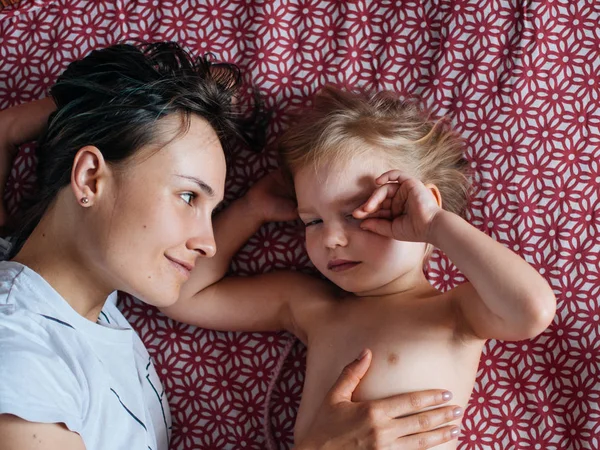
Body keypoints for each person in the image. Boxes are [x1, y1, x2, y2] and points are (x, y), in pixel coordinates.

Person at [0, 43, 463, 450]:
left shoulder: (59, 287)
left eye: (212, 206)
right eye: (188, 196)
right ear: (89, 177)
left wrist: (25, 123)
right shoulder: (21, 356)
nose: (207, 241)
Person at [161, 86, 558, 448]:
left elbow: (532, 310)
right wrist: (251, 210)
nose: (330, 238)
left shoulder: (454, 312)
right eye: (311, 221)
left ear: (419, 206)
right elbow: (184, 296)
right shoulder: (313, 308)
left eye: (354, 213)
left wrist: (437, 225)